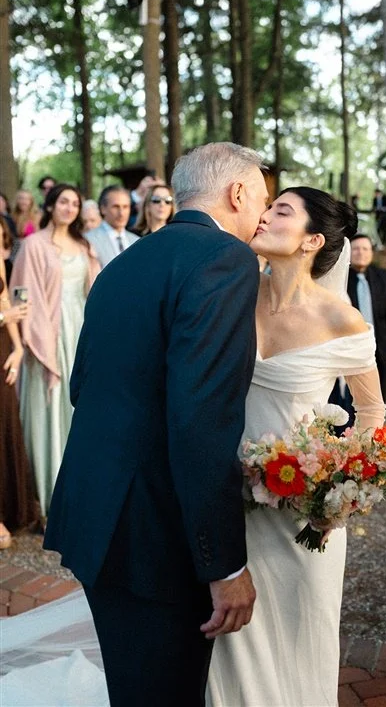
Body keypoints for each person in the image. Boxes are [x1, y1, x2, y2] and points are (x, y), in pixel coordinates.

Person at [43, 142, 269, 707]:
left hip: (95, 513)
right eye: (262, 197)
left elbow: (82, 385)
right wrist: (225, 564)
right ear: (237, 192)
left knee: (132, 684)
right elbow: (202, 419)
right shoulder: (226, 259)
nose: (264, 213)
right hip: (155, 534)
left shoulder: (125, 262)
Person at [207, 187, 386, 706]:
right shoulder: (234, 293)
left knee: (301, 635)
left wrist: (342, 492)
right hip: (226, 499)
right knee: (230, 639)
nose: (263, 215)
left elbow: (371, 412)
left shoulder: (341, 319)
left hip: (302, 513)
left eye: (280, 210)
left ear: (312, 240)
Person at [11, 184, 100, 514]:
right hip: (46, 333)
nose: (70, 207)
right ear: (50, 206)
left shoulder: (83, 245)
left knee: (80, 413)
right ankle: (49, 501)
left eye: (75, 203)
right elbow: (20, 293)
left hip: (80, 330)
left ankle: (81, 493)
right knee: (51, 412)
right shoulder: (33, 245)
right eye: (64, 201)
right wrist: (23, 339)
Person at [0, 220, 41, 549]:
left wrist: (16, 348)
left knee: (6, 426)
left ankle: (8, 509)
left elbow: (4, 301)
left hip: (2, 350)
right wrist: (4, 319)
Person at [347, 233, 386, 401]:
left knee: (378, 395)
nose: (360, 253)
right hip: (350, 350)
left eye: (365, 249)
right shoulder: (341, 279)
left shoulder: (383, 277)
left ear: (371, 252)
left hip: (379, 347)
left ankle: (377, 427)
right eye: (355, 249)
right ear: (348, 253)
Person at [85, 186, 138, 268]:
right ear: (103, 209)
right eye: (116, 207)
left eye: (125, 207)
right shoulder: (88, 240)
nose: (121, 213)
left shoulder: (136, 240)